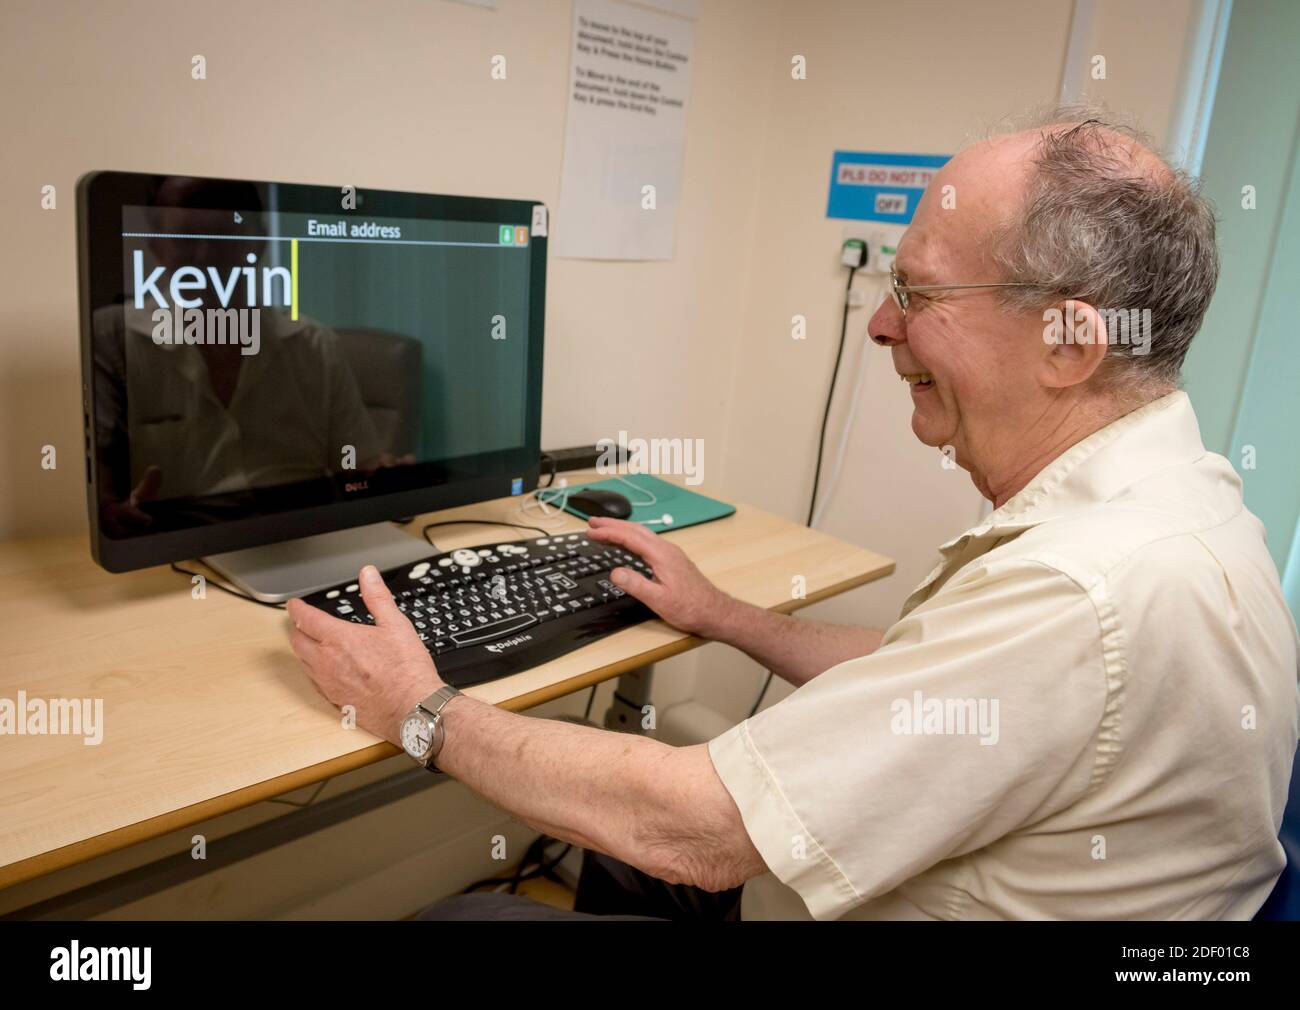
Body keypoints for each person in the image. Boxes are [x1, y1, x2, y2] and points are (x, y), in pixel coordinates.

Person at [286, 107, 1300, 920]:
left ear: (1069, 342)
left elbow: (699, 829)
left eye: (920, 291)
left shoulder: (1081, 590)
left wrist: (419, 711)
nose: (881, 321)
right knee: (621, 866)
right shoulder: (1187, 507)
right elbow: (945, 691)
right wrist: (726, 615)